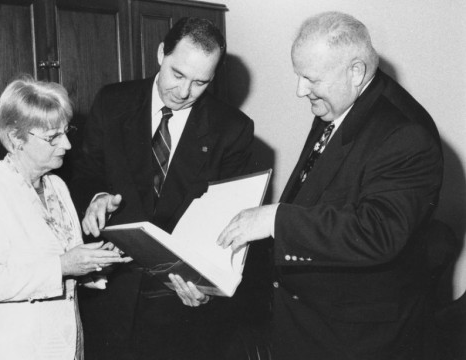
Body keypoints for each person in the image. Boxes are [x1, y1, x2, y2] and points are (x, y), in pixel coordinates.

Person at [217, 11, 443, 360]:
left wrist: (276, 220)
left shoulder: (405, 133)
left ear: (356, 72)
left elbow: (378, 231)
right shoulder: (340, 104)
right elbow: (316, 197)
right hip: (307, 322)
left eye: (311, 79)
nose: (299, 90)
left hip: (358, 339)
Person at [71, 17, 267, 360]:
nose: (184, 91)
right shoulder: (112, 102)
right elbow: (85, 174)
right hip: (109, 294)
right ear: (161, 53)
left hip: (177, 304)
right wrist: (96, 196)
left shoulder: (232, 129)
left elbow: (231, 223)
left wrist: (209, 287)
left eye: (200, 82)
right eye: (177, 74)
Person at [0, 75, 129, 360]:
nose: (68, 145)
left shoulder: (56, 186)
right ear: (15, 139)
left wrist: (98, 264)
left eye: (66, 131)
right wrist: (62, 265)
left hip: (63, 347)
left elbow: (63, 267)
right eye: (53, 137)